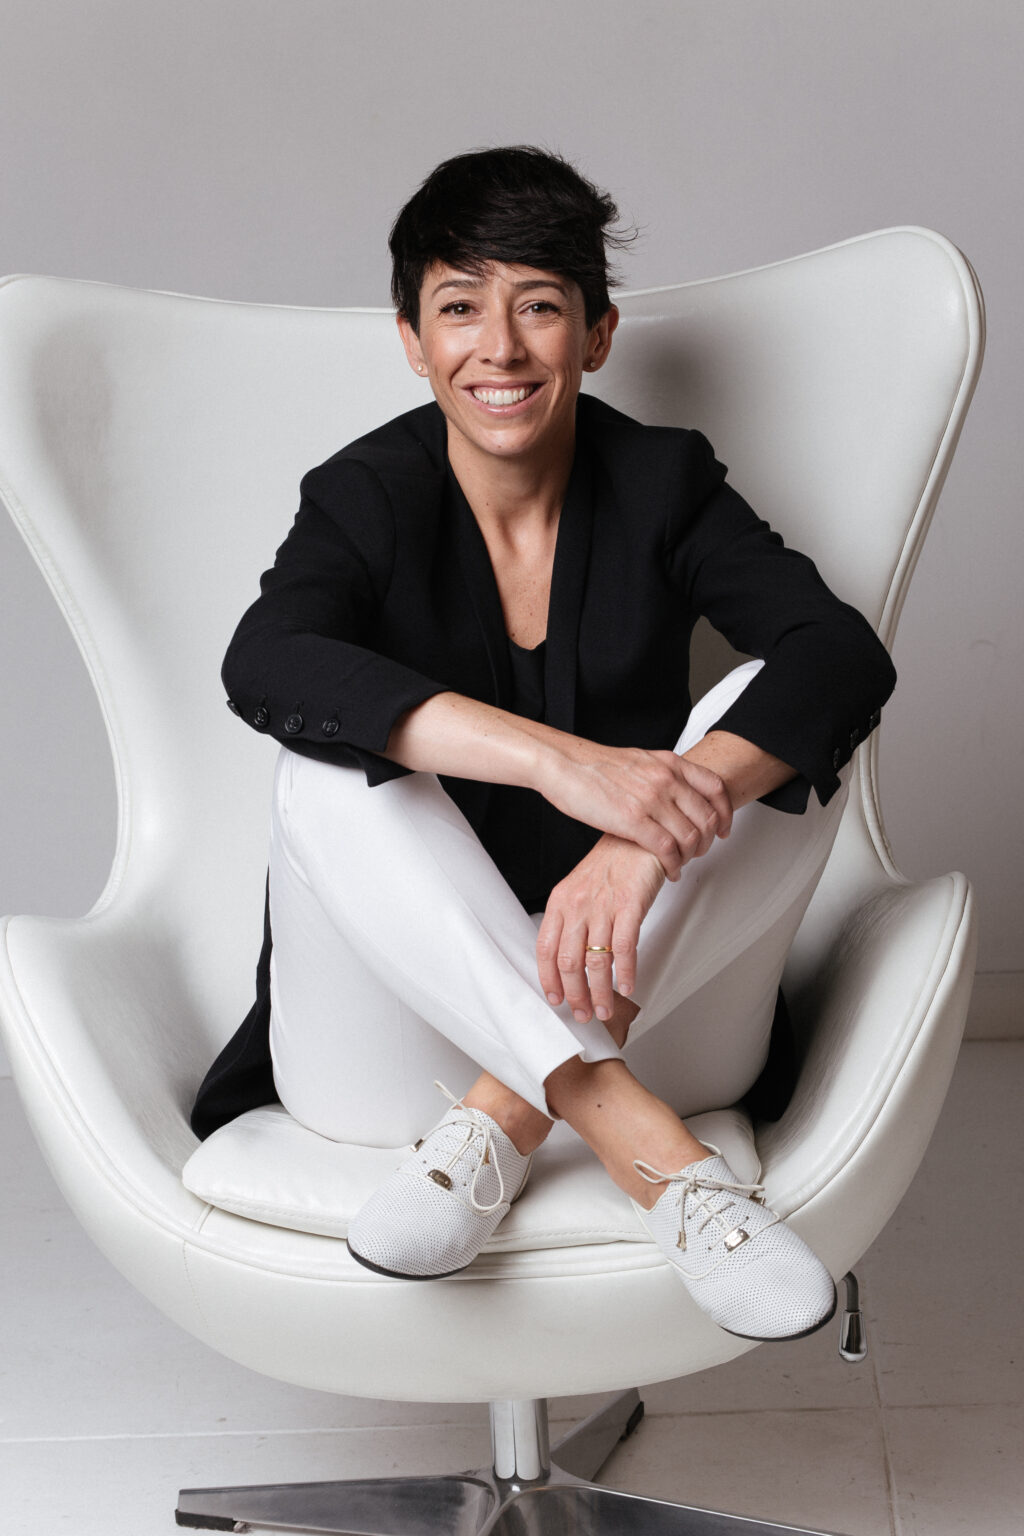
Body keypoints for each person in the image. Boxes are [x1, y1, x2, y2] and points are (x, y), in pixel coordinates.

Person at [192, 146, 895, 1342]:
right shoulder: (362, 496)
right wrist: (554, 760)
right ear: (412, 338)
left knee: (785, 730)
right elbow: (263, 661)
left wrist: (636, 848)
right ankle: (663, 1166)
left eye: (539, 308)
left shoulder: (659, 480)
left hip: (638, 980)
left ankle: (498, 1123)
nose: (499, 350)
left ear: (598, 333)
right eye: (460, 308)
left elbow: (842, 656)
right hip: (386, 1041)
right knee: (323, 758)